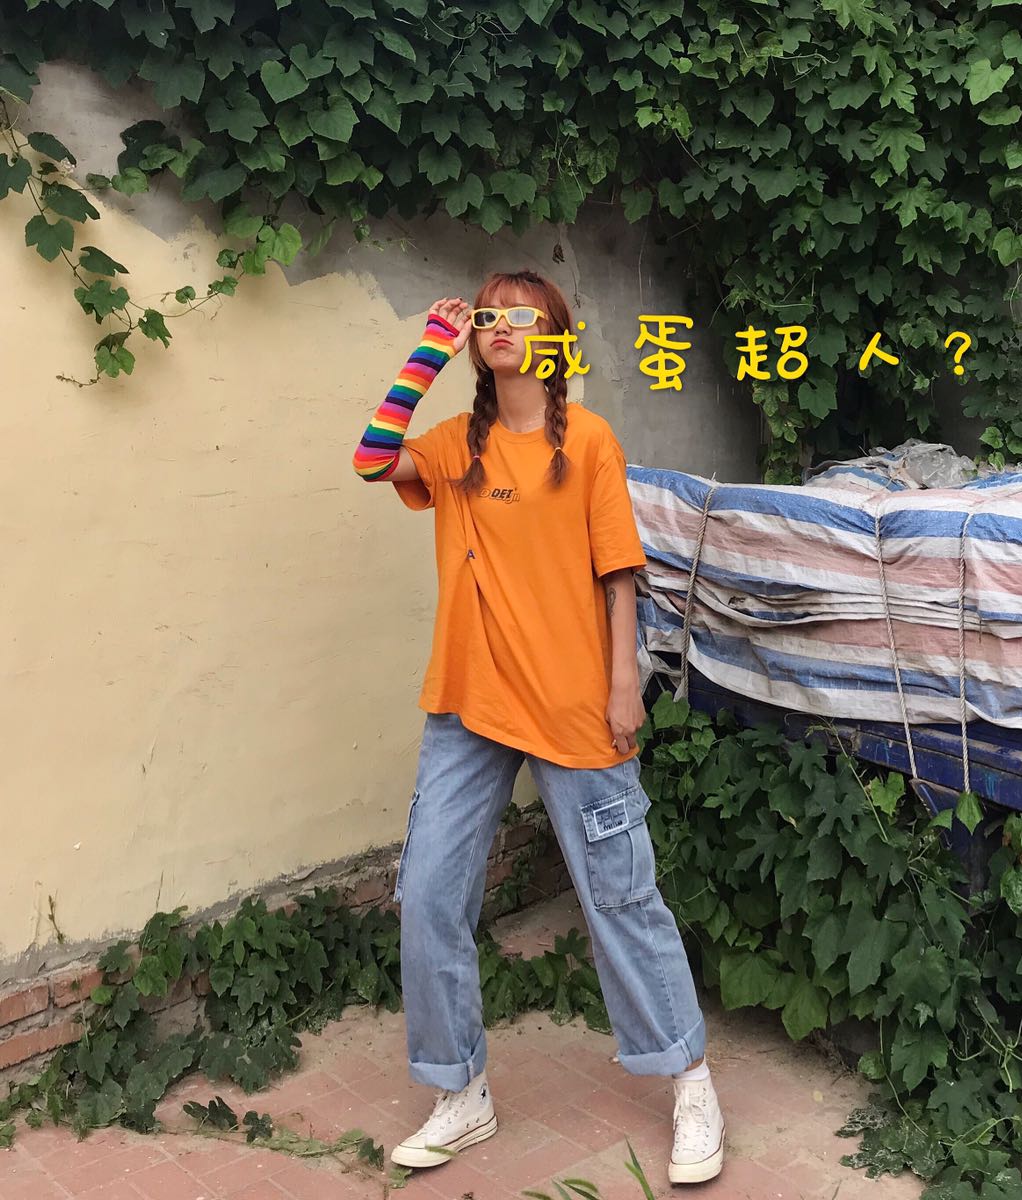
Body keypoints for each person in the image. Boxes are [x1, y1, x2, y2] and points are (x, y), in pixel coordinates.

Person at [351, 269, 724, 1184]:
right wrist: (426, 352)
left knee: (621, 898)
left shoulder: (588, 442)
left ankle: (691, 1081)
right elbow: (370, 459)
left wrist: (624, 685)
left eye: (522, 315)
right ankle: (460, 1090)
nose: (501, 326)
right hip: (468, 704)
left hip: (571, 705)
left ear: (555, 339)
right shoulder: (455, 446)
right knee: (429, 895)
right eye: (488, 316)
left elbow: (618, 574)